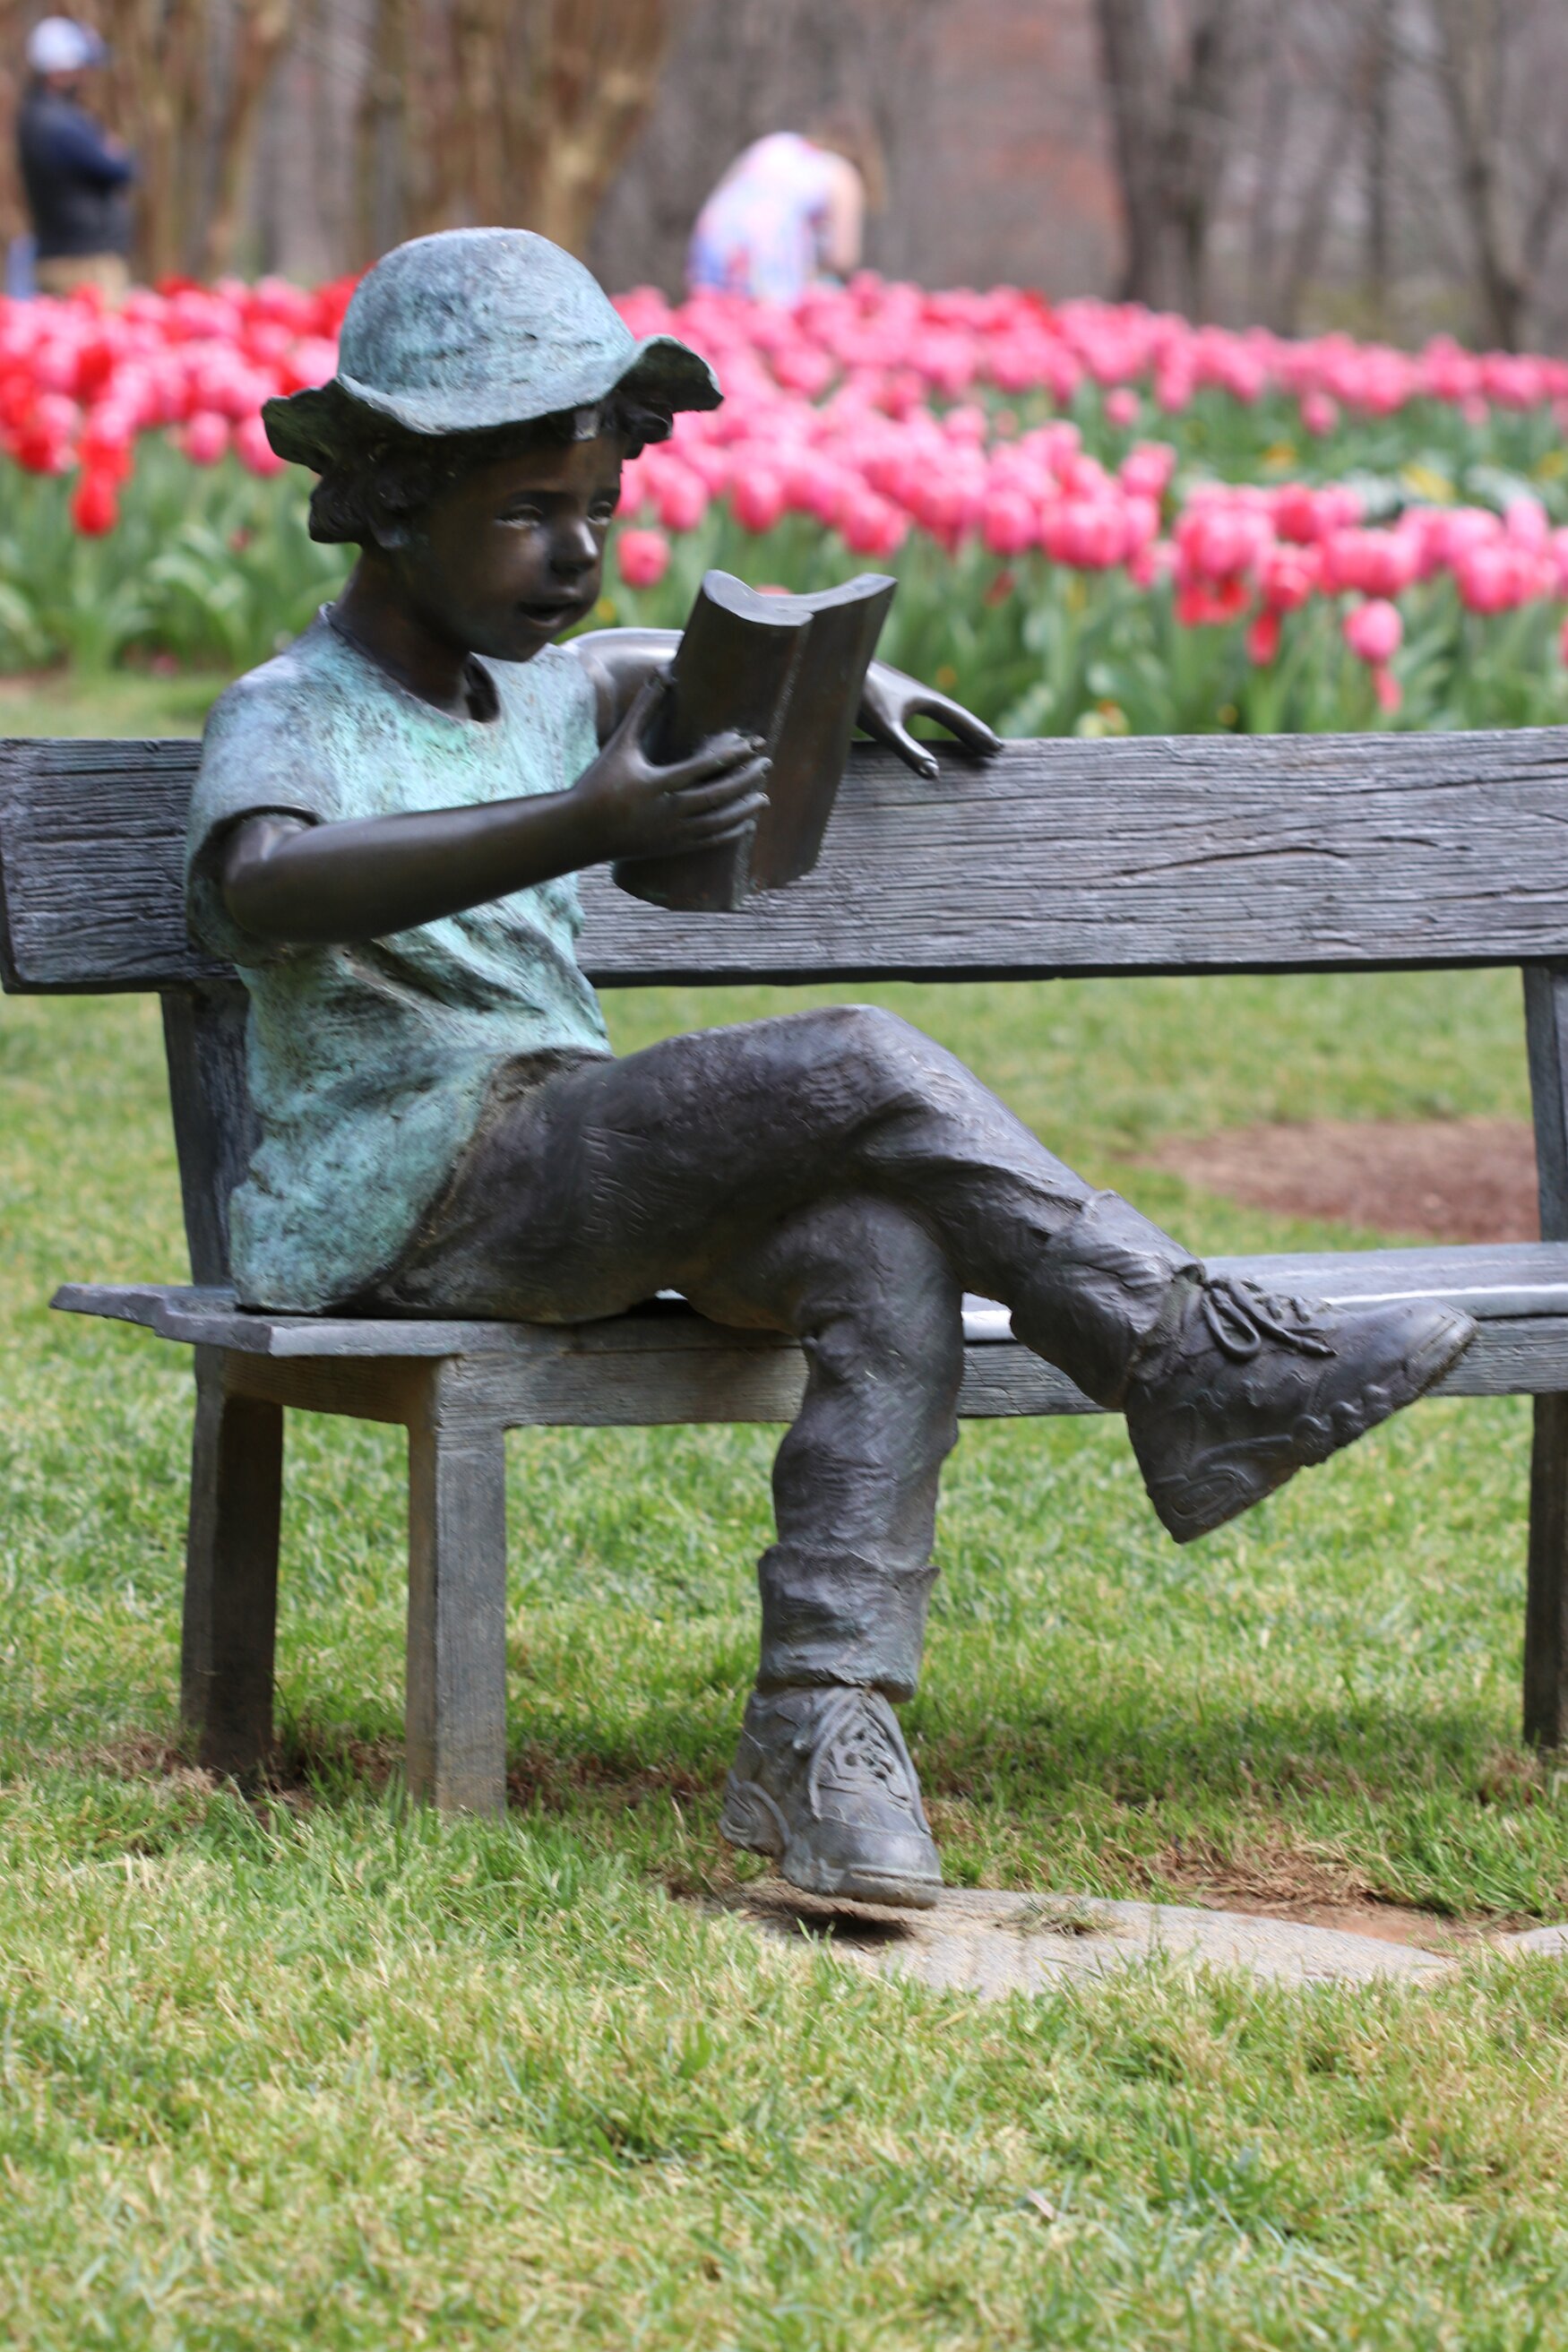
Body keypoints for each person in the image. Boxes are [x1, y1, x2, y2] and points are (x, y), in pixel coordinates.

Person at [185, 229, 1472, 1908]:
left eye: (599, 507)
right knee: (855, 1057)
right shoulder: (291, 706)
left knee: (879, 1250)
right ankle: (1178, 1352)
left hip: (558, 1168)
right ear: (387, 500)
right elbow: (260, 886)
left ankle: (820, 1727)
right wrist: (581, 823)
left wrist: (841, 683)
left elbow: (633, 665)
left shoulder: (539, 689)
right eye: (526, 514)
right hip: (410, 1191)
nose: (576, 552)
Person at [686, 113, 883, 305]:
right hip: (768, 251)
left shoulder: (777, 143)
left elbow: (726, 192)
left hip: (711, 239)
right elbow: (842, 259)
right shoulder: (842, 172)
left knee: (712, 314)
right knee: (771, 320)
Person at [16, 15, 134, 299]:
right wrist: (112, 150)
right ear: (59, 71)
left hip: (67, 255)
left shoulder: (41, 115)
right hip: (83, 263)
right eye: (81, 68)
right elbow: (118, 168)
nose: (86, 77)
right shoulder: (57, 123)